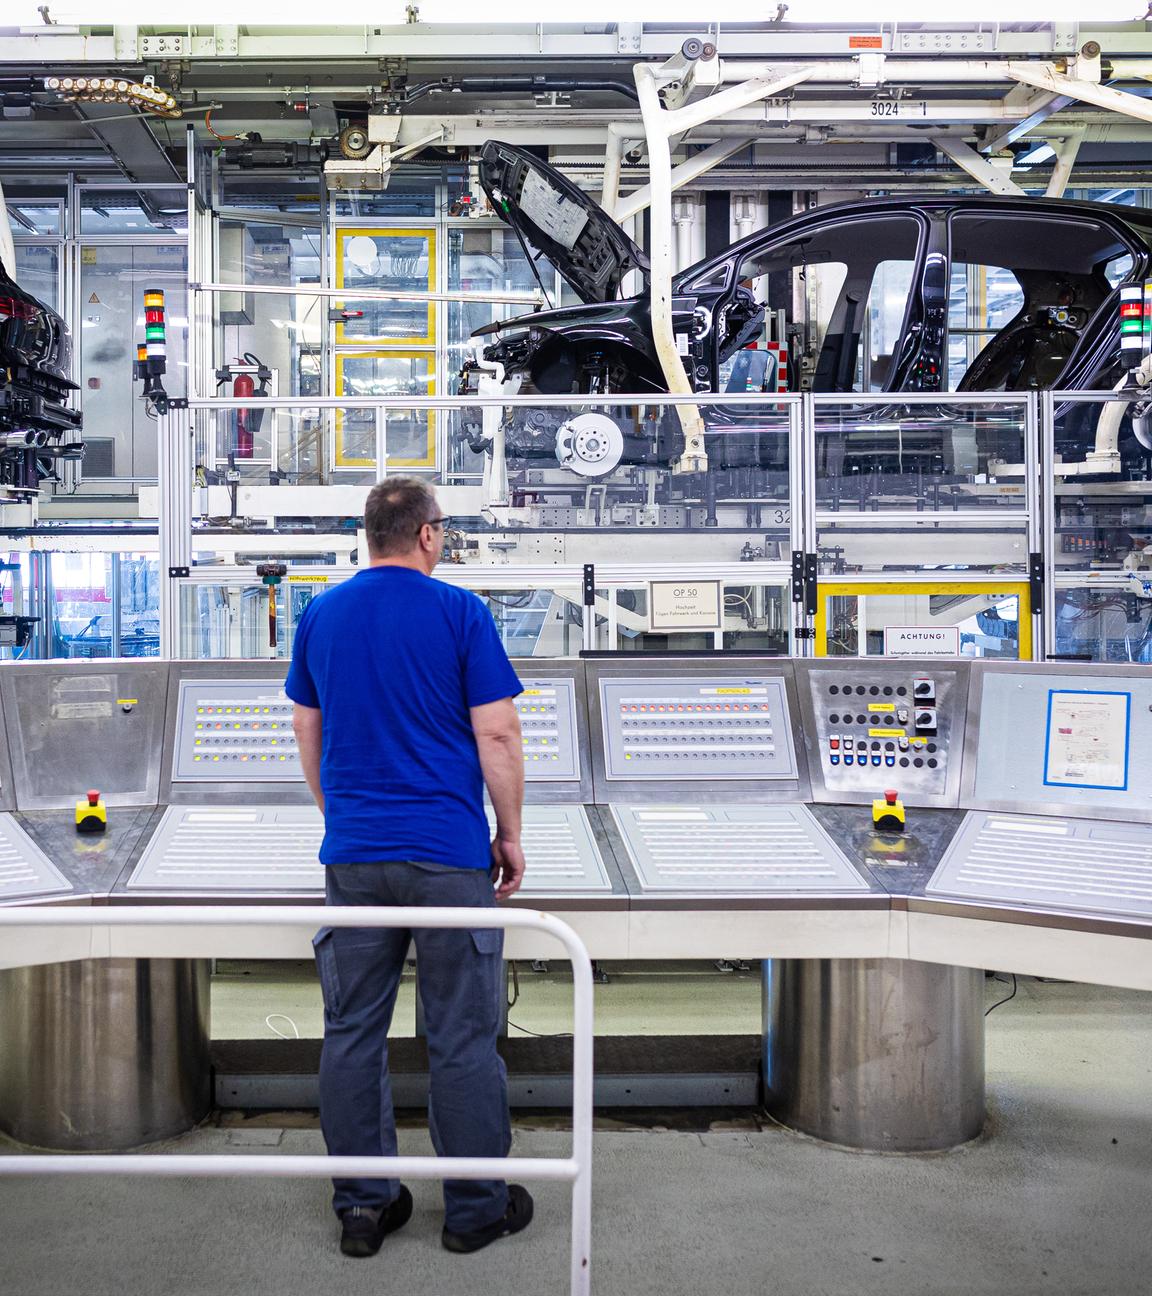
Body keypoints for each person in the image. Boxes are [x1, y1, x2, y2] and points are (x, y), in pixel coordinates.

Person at [286, 477, 532, 1259]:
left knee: (352, 1031)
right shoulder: (460, 613)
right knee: (461, 1034)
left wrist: (343, 818)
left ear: (370, 536)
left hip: (355, 856)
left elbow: (306, 728)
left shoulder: (320, 614)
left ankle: (363, 1207)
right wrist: (510, 834)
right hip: (448, 856)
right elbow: (496, 737)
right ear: (427, 535)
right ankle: (473, 1211)